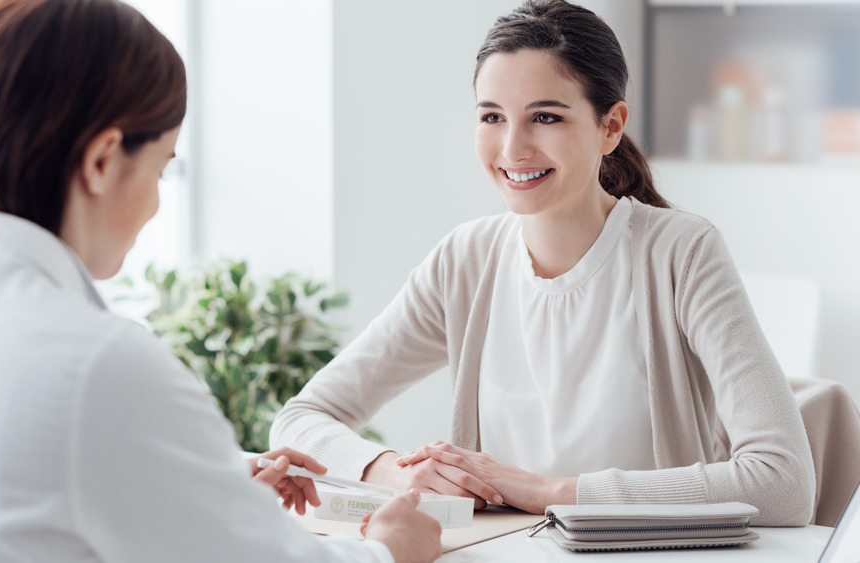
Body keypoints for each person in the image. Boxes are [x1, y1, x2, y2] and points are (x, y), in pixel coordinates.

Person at [0, 0, 441, 561]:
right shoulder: (98, 363)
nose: (157, 205)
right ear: (102, 162)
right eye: (161, 166)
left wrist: (189, 480)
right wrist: (388, 550)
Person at [270, 0, 816, 527]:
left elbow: (784, 482)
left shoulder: (680, 252)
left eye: (545, 117)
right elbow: (300, 419)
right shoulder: (466, 260)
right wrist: (395, 472)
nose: (512, 148)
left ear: (610, 126)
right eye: (491, 116)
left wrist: (550, 494)